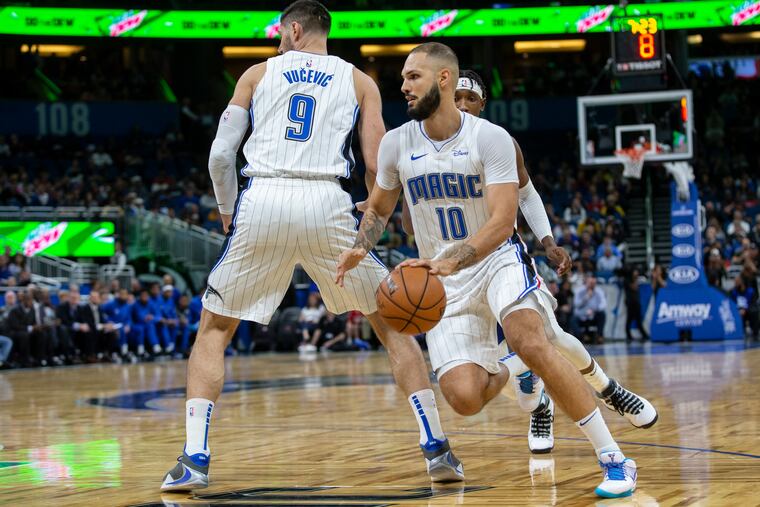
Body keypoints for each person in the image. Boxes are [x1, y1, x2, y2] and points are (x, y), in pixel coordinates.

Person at [161, 1, 463, 491]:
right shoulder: (359, 80)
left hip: (264, 196)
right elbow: (377, 161)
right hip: (328, 200)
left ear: (295, 30)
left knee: (214, 328)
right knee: (391, 321)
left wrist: (225, 209)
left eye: (282, 33)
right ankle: (436, 448)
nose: (279, 42)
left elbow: (221, 154)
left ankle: (194, 458)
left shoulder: (256, 74)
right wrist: (376, 219)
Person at [337, 43, 638, 497]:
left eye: (413, 77)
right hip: (441, 279)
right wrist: (361, 246)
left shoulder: (490, 138)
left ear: (444, 79)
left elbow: (501, 222)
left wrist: (452, 259)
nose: (403, 86)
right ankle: (514, 370)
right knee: (463, 398)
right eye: (403, 78)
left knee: (529, 336)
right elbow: (379, 209)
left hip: (494, 259)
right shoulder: (398, 143)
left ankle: (615, 459)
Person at [401, 68, 656, 454]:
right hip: (448, 273)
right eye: (458, 99)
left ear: (483, 106)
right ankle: (539, 403)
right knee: (477, 381)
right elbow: (407, 224)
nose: (464, 105)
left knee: (545, 339)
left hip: (497, 257)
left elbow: (528, 194)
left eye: (472, 99)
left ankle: (608, 389)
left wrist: (548, 241)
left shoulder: (495, 142)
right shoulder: (417, 149)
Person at [572, 276, 607, 344]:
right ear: (586, 282)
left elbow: (603, 304)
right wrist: (586, 297)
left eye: (594, 283)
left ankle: (599, 336)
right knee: (573, 319)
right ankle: (582, 337)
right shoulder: (580, 291)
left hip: (593, 315)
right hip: (582, 315)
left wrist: (595, 310)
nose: (592, 285)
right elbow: (576, 304)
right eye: (590, 283)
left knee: (602, 314)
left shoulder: (598, 291)